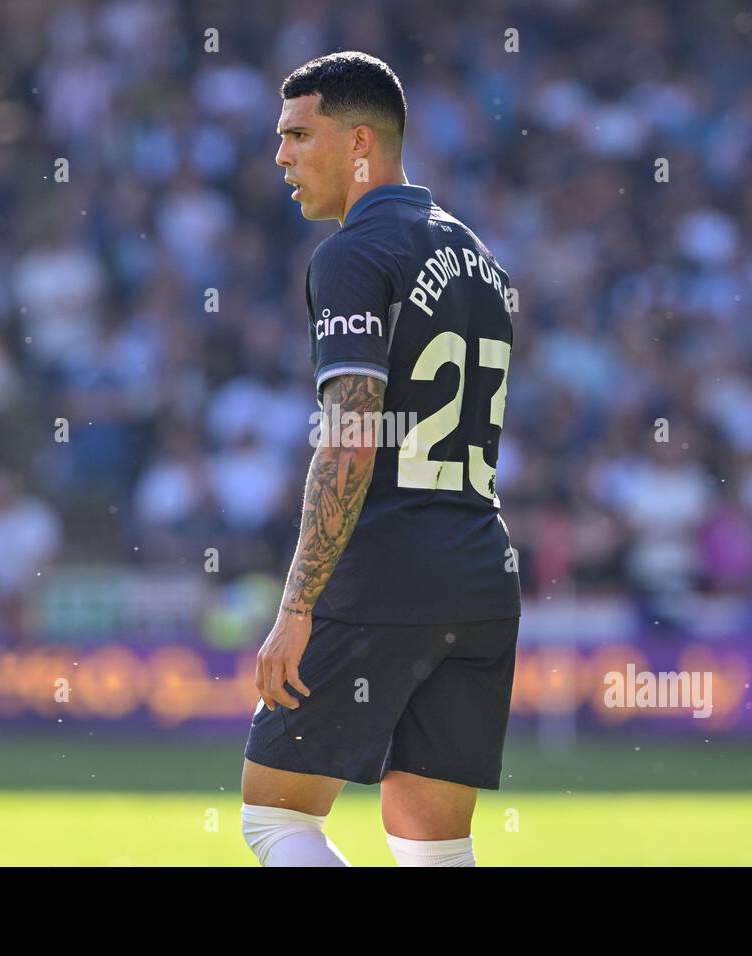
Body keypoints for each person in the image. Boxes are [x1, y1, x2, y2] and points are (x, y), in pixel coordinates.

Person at [240, 52, 522, 867]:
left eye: (298, 134)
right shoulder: (480, 257)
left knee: (277, 819)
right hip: (479, 572)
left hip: (386, 567)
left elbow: (352, 435)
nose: (282, 157)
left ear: (360, 141)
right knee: (432, 849)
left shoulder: (353, 256)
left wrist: (297, 606)